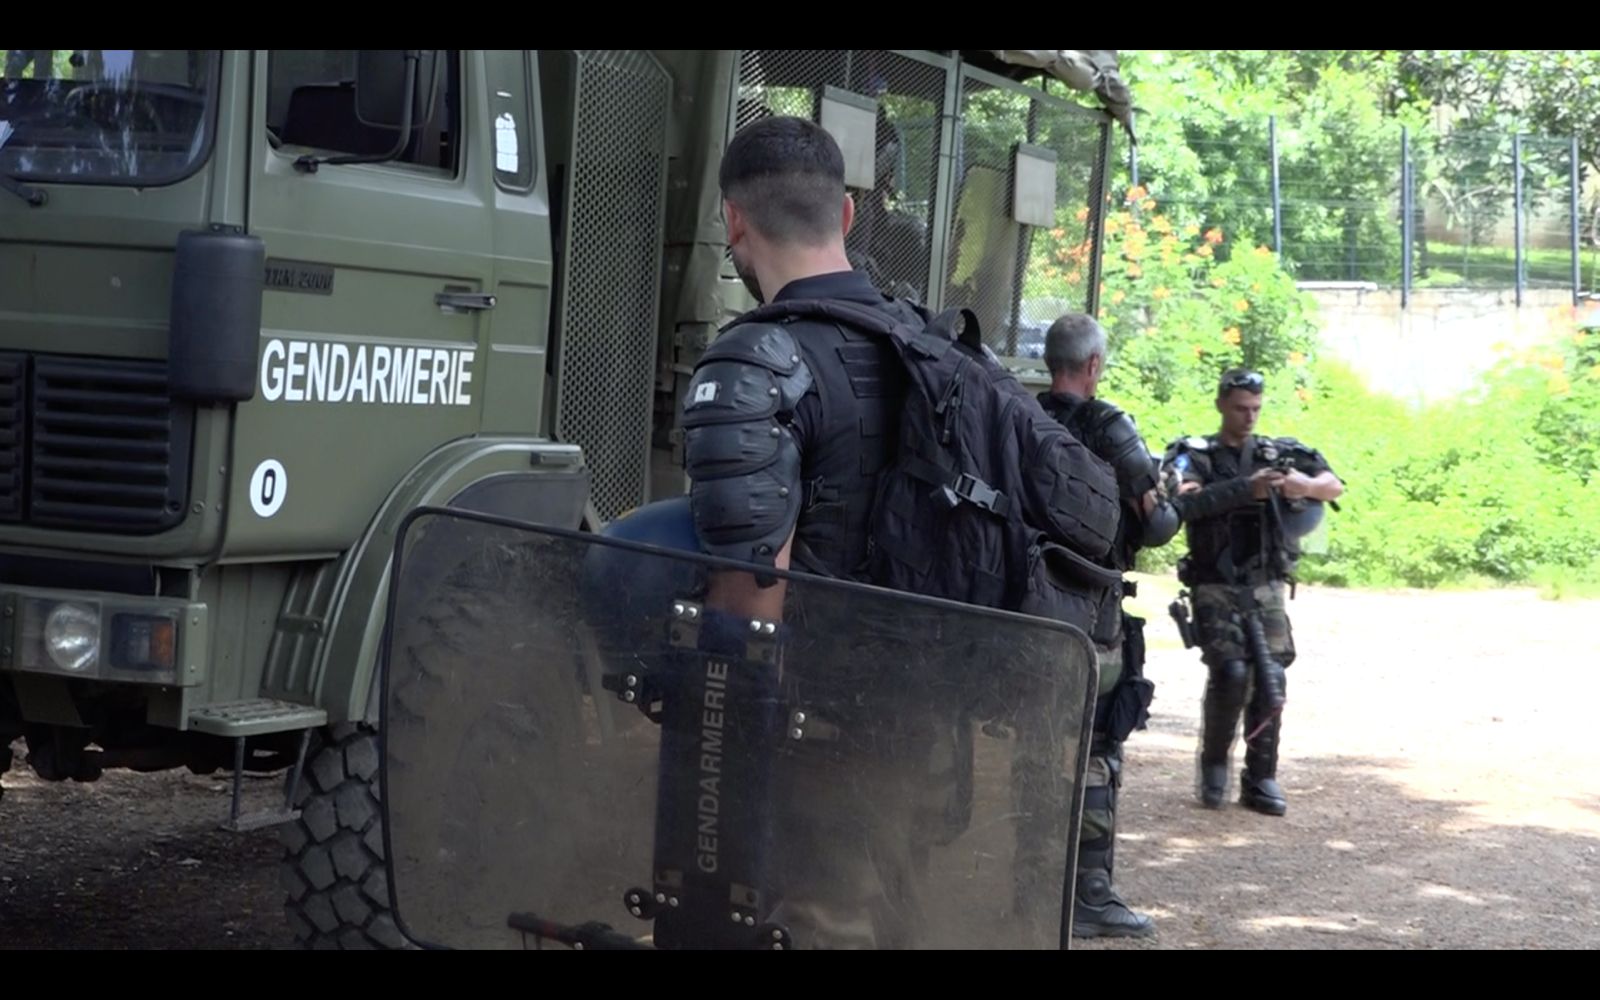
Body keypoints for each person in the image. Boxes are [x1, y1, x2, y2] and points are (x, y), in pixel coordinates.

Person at [1036, 313, 1178, 938]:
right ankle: (1090, 892)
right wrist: (1174, 497)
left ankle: (1030, 880)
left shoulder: (1017, 416)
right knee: (1096, 746)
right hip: (1092, 611)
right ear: (1093, 365)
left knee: (1033, 743)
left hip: (1023, 606)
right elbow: (1155, 523)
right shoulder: (1111, 426)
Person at [1166, 368, 1344, 815]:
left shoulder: (1278, 452)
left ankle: (1261, 776)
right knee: (1231, 672)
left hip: (1265, 583)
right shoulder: (1195, 454)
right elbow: (1183, 502)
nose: (1248, 417)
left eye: (1256, 410)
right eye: (1241, 408)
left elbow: (1333, 484)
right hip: (1214, 582)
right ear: (1222, 405)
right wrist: (1247, 489)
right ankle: (1213, 766)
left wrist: (1301, 485)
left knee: (1272, 680)